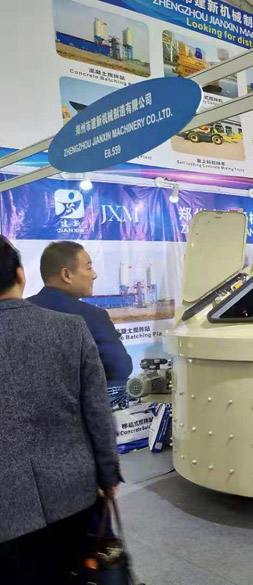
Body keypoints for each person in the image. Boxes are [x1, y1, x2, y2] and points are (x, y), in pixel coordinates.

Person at [0, 236, 121, 584]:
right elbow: (97, 413)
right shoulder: (70, 328)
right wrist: (108, 476)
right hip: (72, 491)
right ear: (20, 274)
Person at [28, 241, 132, 385]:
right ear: (66, 275)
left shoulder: (19, 311)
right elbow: (120, 368)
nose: (94, 275)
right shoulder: (93, 317)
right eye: (89, 268)